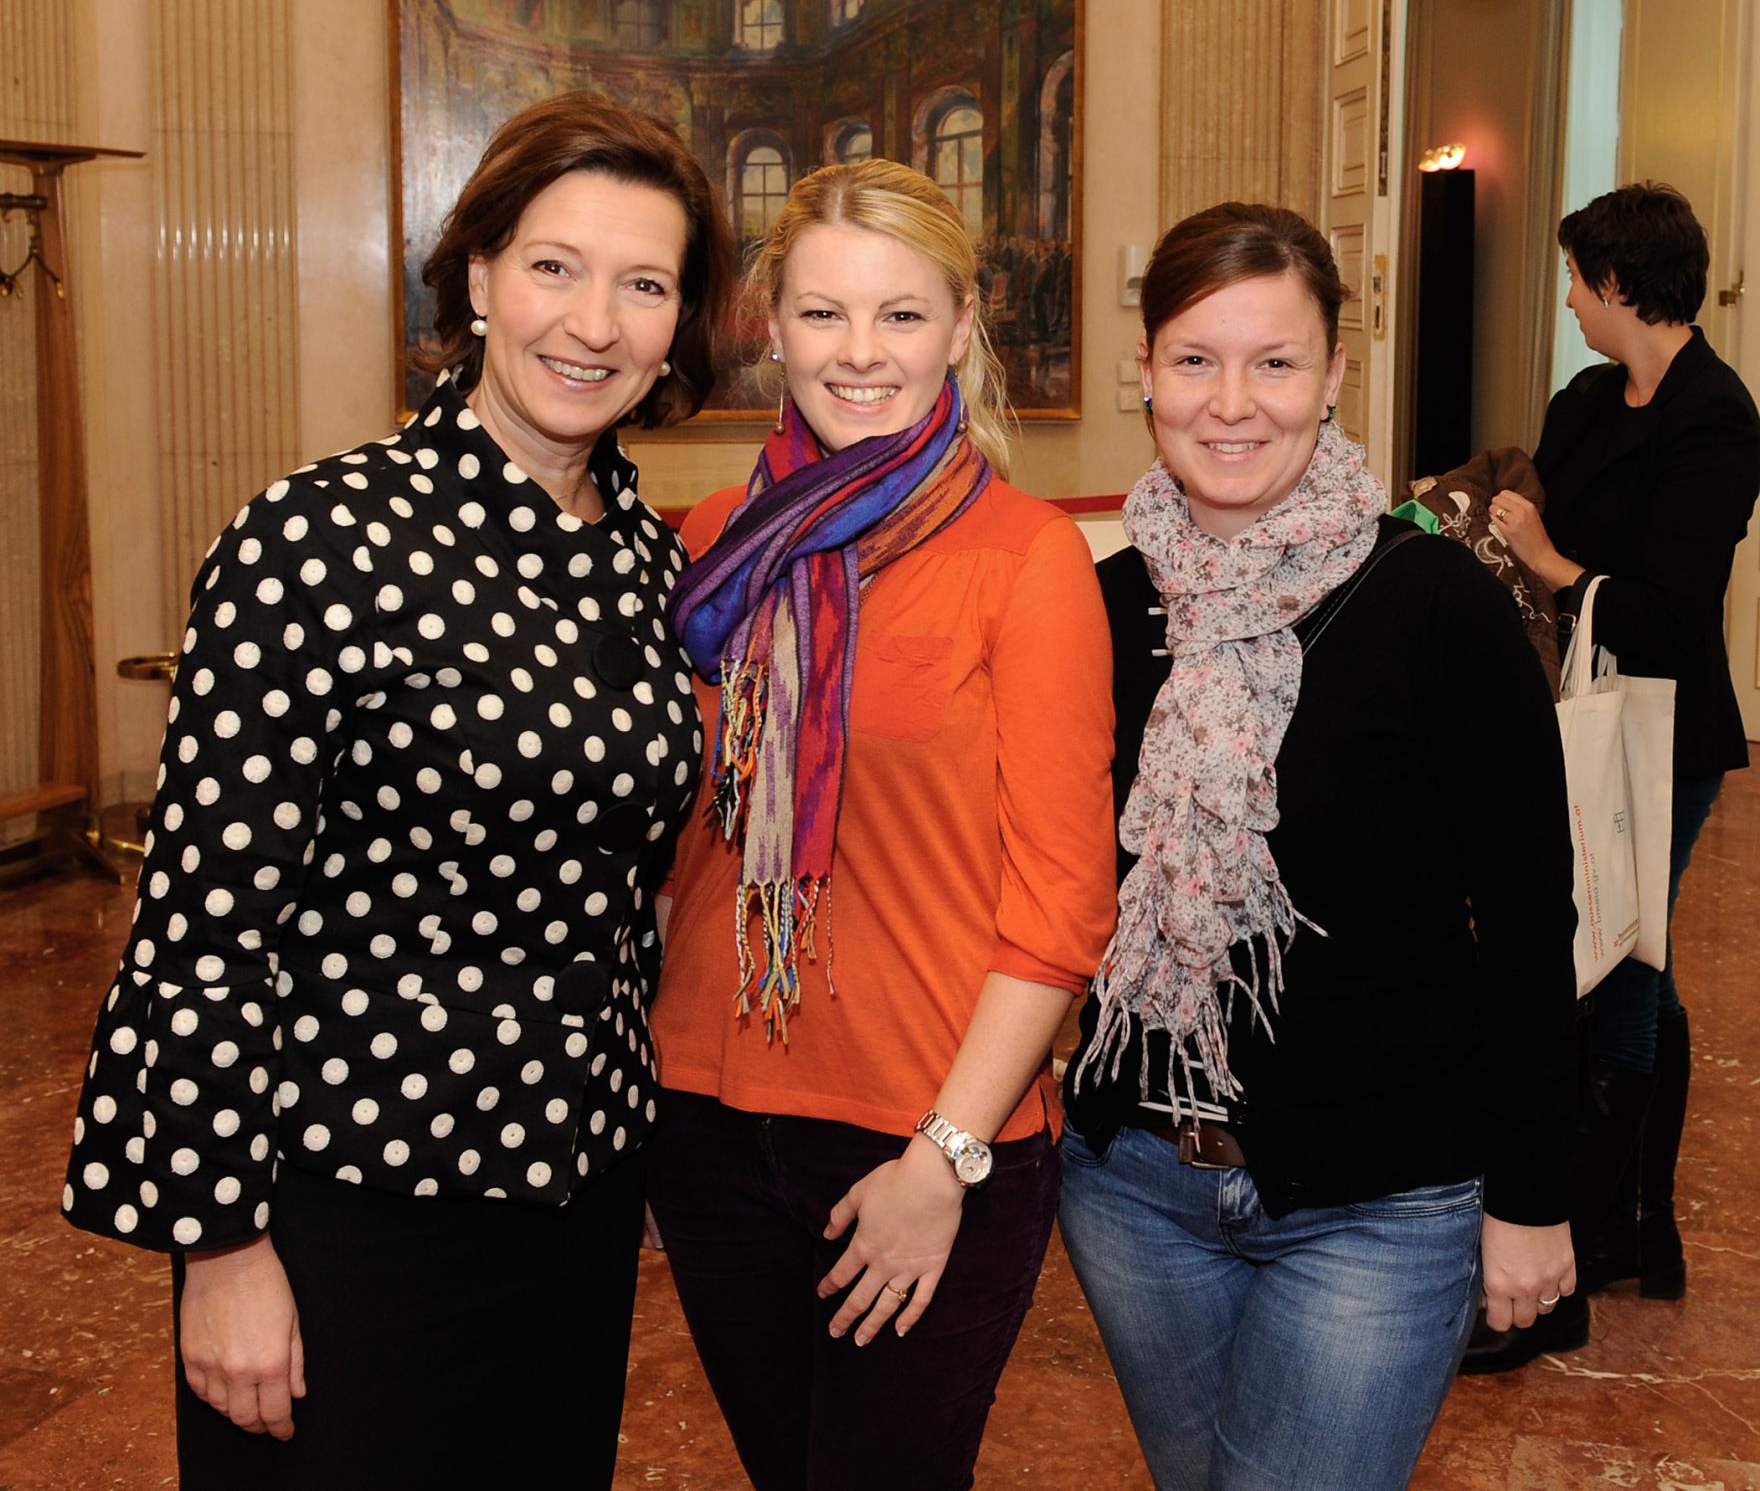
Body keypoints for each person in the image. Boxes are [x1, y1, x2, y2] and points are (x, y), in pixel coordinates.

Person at [61, 91, 735, 1488]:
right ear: (478, 278)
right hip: (344, 1207)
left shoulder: (652, 565)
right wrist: (221, 1250)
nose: (594, 323)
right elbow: (199, 927)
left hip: (572, 1203)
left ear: (680, 322)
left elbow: (630, 895)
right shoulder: (319, 540)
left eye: (644, 284)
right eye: (553, 266)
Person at [1057, 203, 1579, 1490]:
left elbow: (1528, 920)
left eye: (1275, 362)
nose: (1232, 402)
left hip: (1379, 1203)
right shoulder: (1097, 607)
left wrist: (1530, 1193)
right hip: (1134, 1192)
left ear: (1335, 374)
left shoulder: (1435, 605)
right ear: (1144, 370)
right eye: (1194, 359)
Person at [647, 158, 1116, 1491]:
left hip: (923, 1132)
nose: (859, 352)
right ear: (772, 327)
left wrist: (943, 1161)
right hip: (708, 1122)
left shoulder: (1024, 559)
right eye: (823, 312)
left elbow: (1064, 906)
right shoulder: (715, 540)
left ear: (961, 328)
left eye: (900, 315)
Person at [1465, 182, 1760, 1370]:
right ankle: (1634, 1226)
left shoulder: (1715, 418)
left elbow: (1673, 614)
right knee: (1631, 952)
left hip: (1661, 732)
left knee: (1616, 968)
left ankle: (1577, 1255)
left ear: (1621, 284)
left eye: (1578, 281)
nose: (1568, 302)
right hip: (1573, 719)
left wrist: (1550, 564)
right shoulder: (1584, 399)